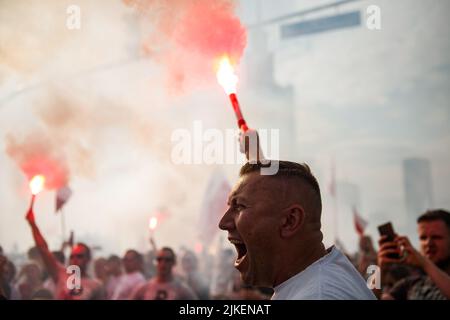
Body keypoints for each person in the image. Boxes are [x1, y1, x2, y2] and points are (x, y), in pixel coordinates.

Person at [218, 160, 376, 300]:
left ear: (290, 221)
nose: (223, 223)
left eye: (239, 207)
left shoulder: (319, 295)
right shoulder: (314, 283)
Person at [25, 207, 105, 300]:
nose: (74, 259)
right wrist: (33, 224)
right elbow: (43, 250)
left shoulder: (96, 285)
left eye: (79, 256)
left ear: (88, 259)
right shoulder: (60, 273)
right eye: (72, 256)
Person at [377, 209, 450, 299]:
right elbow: (364, 295)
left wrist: (424, 263)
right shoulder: (412, 283)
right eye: (423, 238)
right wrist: (378, 269)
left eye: (436, 237)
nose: (428, 243)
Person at [131, 247, 197, 300]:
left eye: (167, 260)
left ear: (173, 262)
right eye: (160, 260)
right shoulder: (144, 288)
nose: (163, 264)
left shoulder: (182, 290)